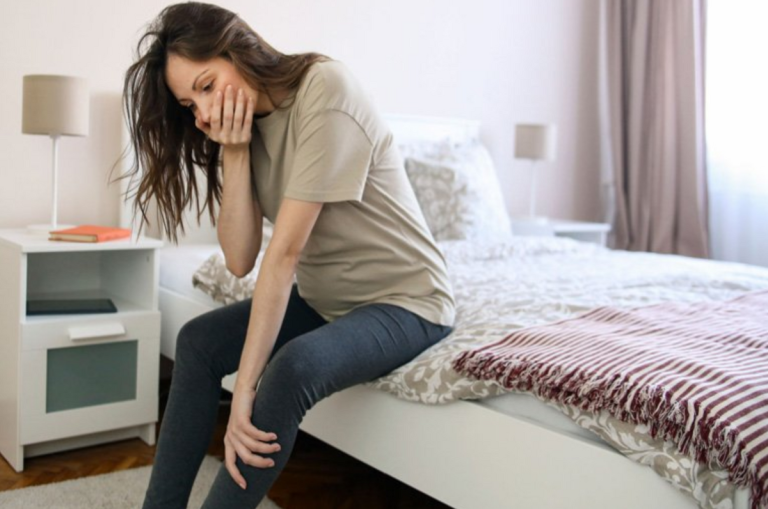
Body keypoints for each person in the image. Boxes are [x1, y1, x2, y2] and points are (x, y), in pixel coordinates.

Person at [123, 2, 455, 508]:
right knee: (198, 342)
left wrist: (243, 392)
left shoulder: (326, 90)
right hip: (325, 301)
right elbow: (239, 259)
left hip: (407, 302)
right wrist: (235, 151)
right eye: (191, 105)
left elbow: (283, 256)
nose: (204, 114)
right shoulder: (246, 128)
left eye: (207, 86)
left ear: (238, 49)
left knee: (290, 367)